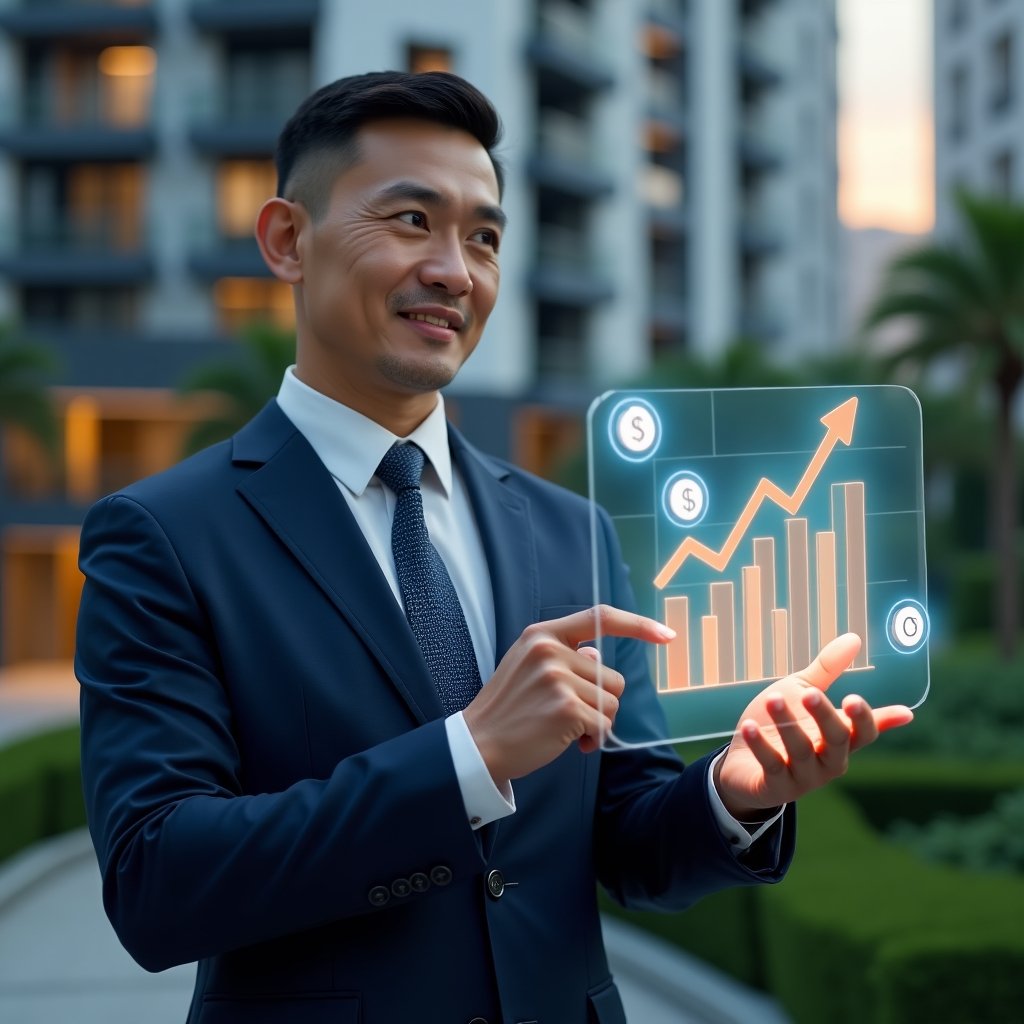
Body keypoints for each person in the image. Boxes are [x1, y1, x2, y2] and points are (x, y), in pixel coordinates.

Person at [76, 71, 913, 1024]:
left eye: (484, 237)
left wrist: (738, 788)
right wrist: (467, 758)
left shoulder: (570, 529)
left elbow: (629, 845)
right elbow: (157, 881)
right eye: (410, 220)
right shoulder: (164, 536)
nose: (454, 270)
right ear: (287, 239)